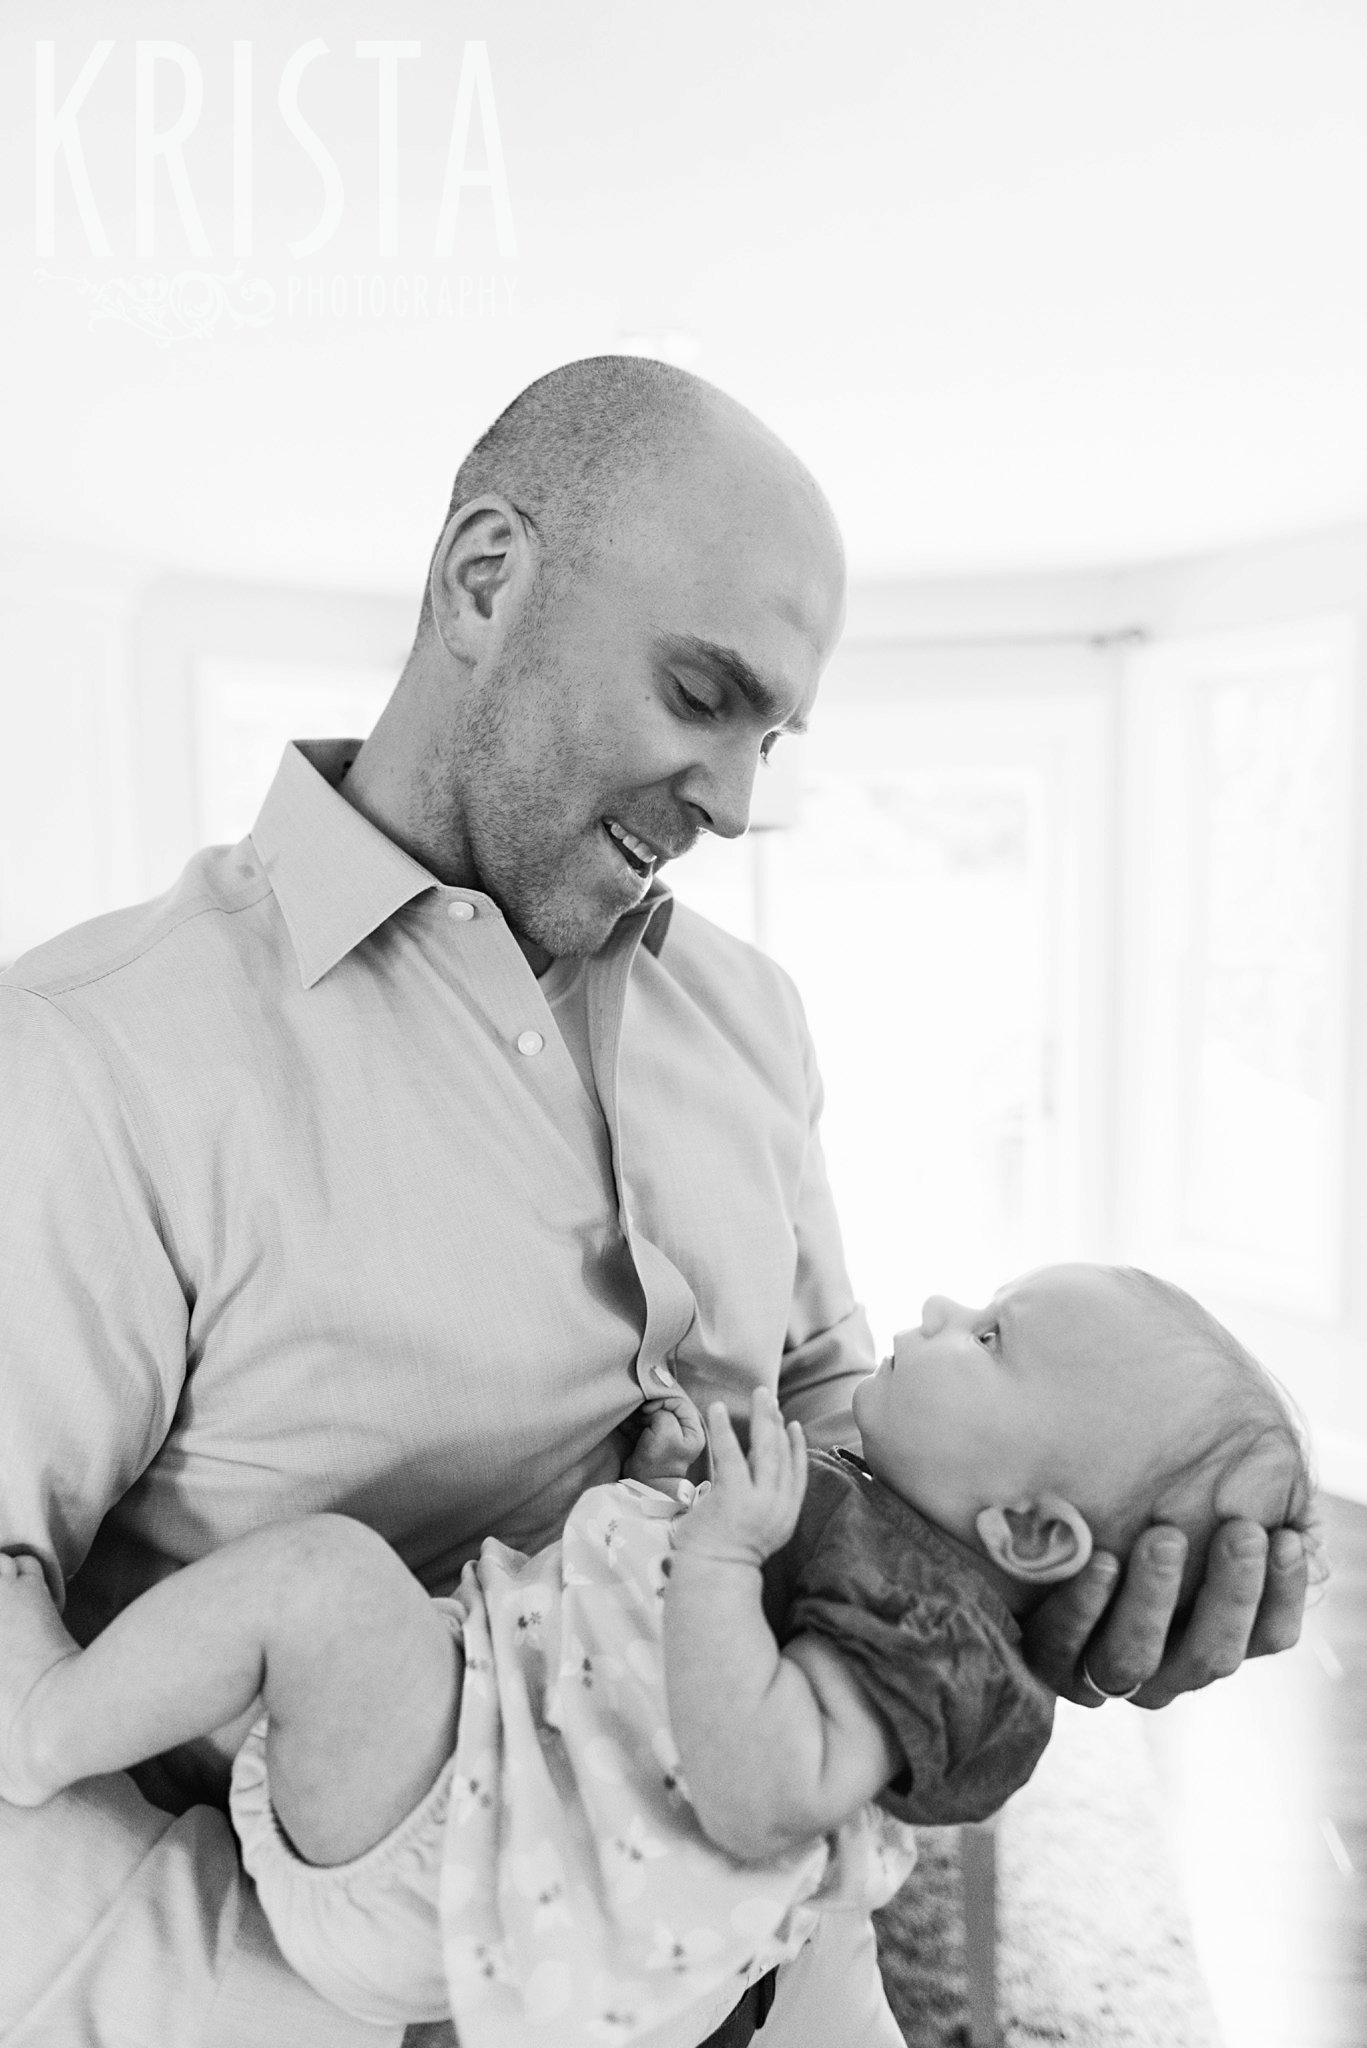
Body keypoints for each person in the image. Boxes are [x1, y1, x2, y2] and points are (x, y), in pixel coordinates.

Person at [0, 357, 1312, 2048]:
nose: (741, 798)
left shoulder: (753, 1018)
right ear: (487, 581)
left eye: (773, 736)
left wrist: (1025, 1580)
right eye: (704, 695)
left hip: (801, 1976)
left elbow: (829, 1401)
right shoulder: (94, 1061)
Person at [0, 1263, 1319, 2048]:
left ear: (1030, 1530)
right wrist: (673, 1491)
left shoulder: (940, 1651)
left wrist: (724, 1552)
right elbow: (643, 1627)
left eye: (988, 1336)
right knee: (315, 1606)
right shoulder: (863, 1512)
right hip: (471, 1785)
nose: (936, 1304)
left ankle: (45, 1720)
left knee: (322, 1581)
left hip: (459, 1856)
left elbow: (760, 1792)